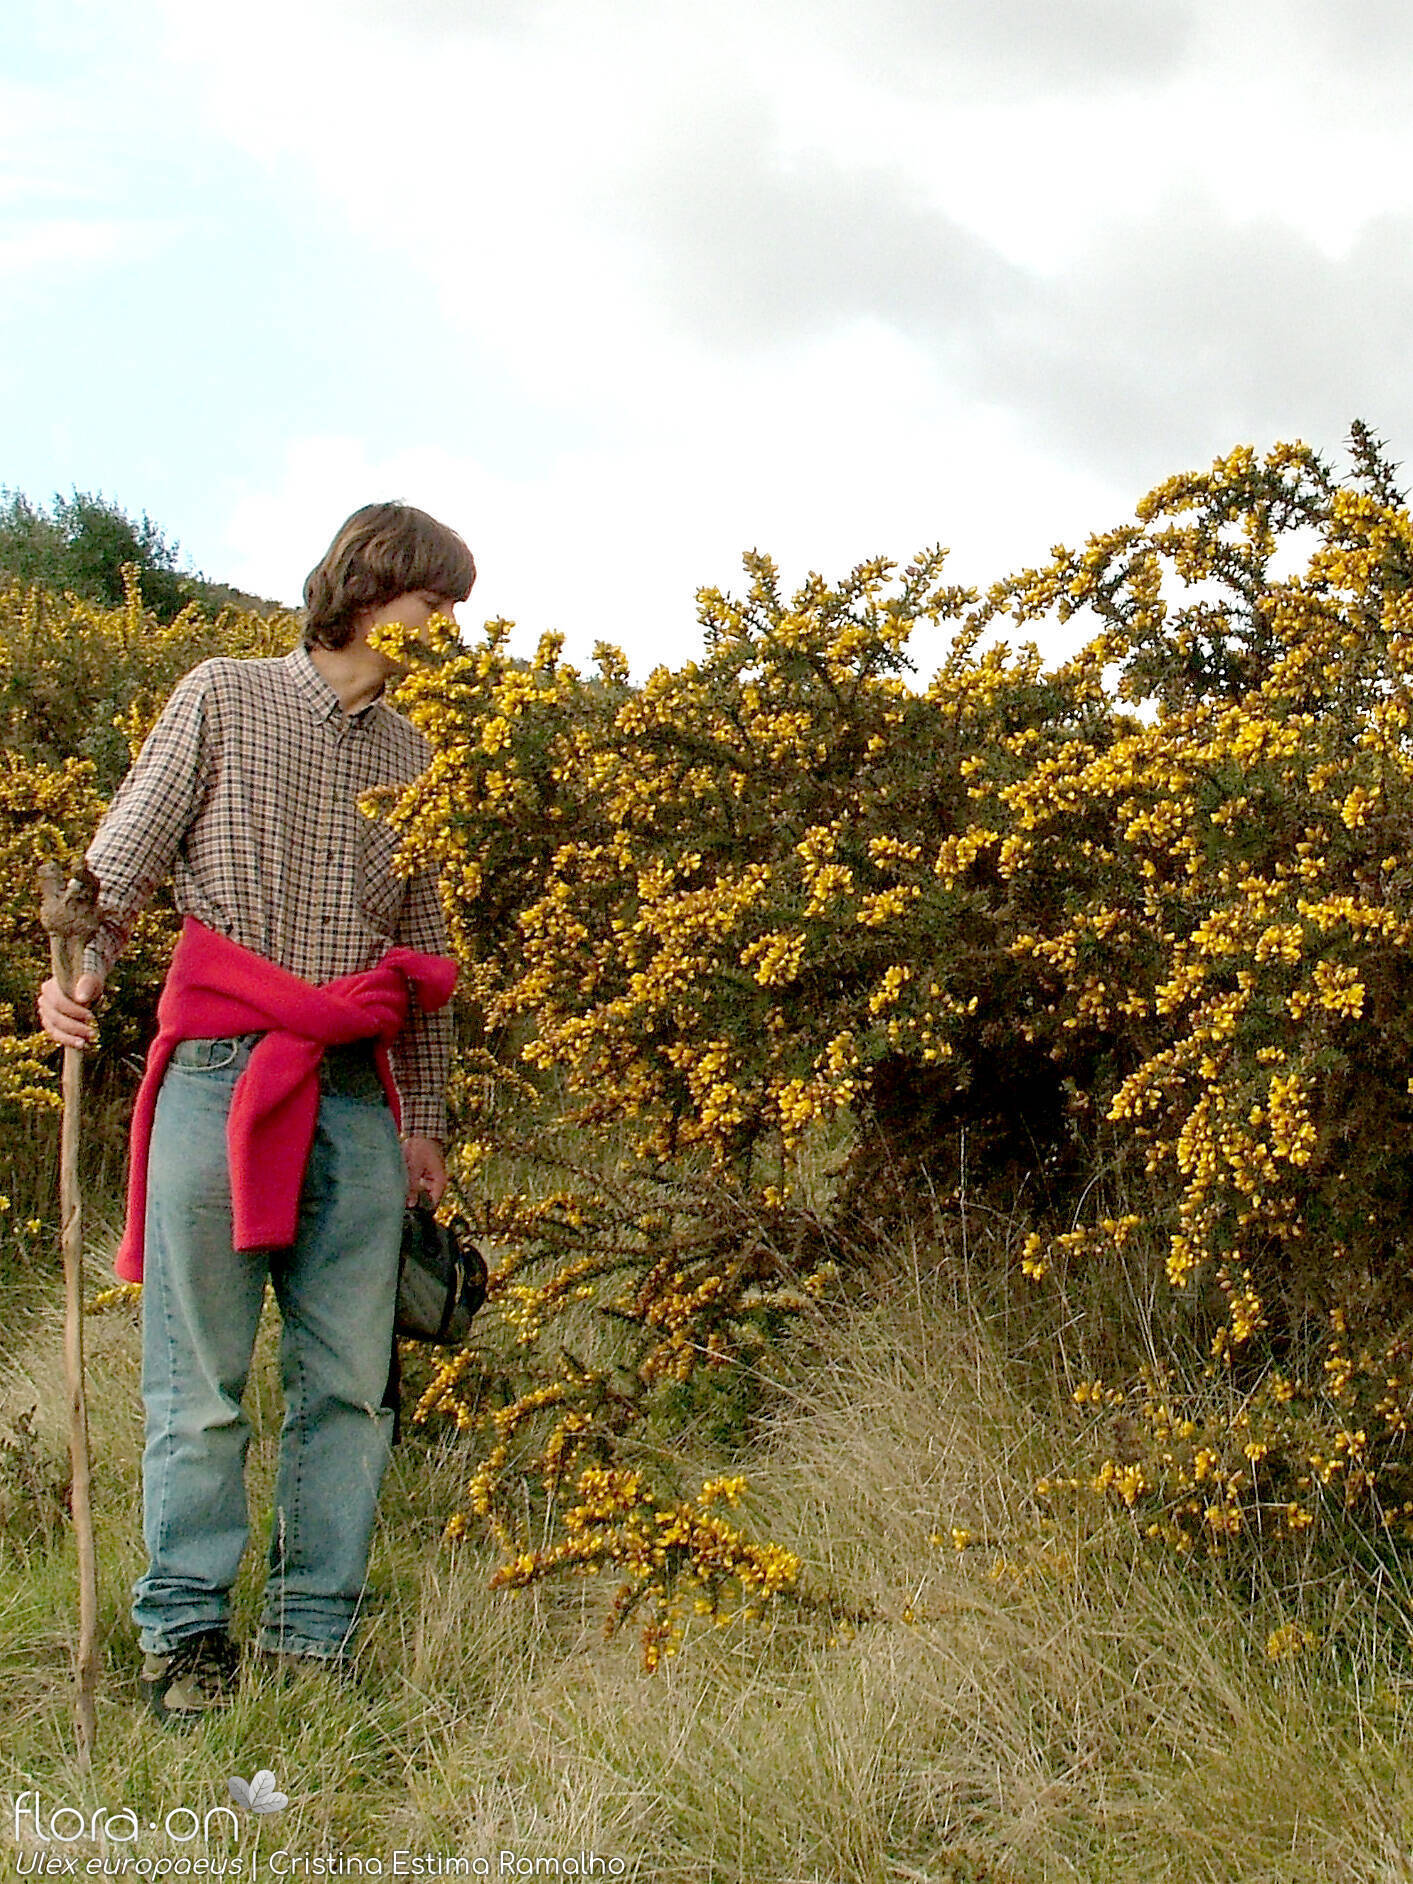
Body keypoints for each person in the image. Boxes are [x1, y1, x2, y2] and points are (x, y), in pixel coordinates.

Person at [37, 501, 473, 1723]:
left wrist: (425, 1121)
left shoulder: (418, 760)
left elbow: (424, 958)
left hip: (352, 1100)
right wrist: (73, 983)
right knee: (203, 1384)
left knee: (349, 1384)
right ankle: (185, 1638)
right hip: (222, 1074)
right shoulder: (223, 695)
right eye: (435, 602)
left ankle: (310, 1637)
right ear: (375, 587)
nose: (447, 628)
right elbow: (115, 868)